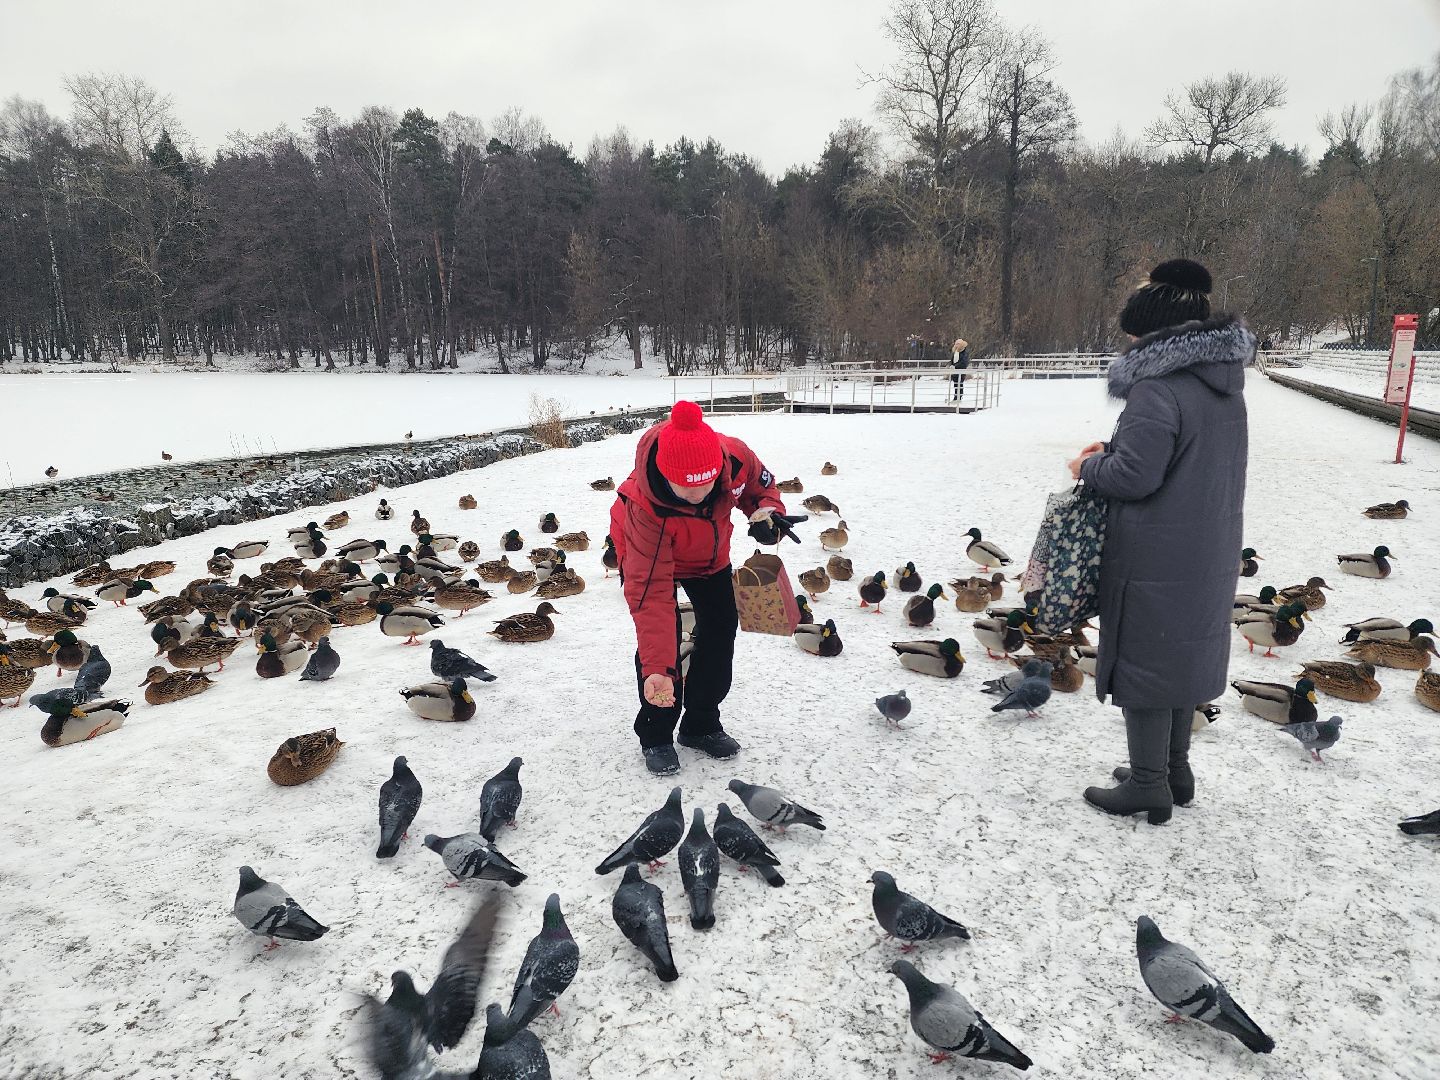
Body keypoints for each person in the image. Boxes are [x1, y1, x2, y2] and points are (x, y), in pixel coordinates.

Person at [1066, 258, 1253, 825]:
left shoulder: (1157, 389)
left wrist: (1088, 467)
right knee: (1179, 655)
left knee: (1147, 664)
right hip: (1208, 547)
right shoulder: (1223, 386)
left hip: (1155, 552)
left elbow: (1135, 478)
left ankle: (1148, 786)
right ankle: (1174, 770)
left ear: (1153, 332)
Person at [610, 400, 796, 775]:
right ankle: (656, 733)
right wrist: (657, 670)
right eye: (685, 487)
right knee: (664, 646)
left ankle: (701, 723)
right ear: (666, 473)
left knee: (721, 627)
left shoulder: (734, 457)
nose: (697, 494)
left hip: (709, 558)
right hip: (650, 554)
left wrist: (766, 512)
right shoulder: (644, 507)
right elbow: (652, 601)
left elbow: (760, 486)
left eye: (706, 484)